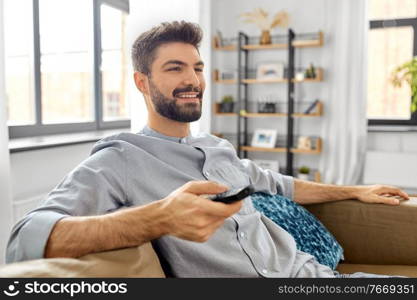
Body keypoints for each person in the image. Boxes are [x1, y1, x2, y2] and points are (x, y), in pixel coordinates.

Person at [6, 21, 409, 278]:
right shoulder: (119, 159)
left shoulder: (218, 147)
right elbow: (23, 239)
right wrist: (157, 218)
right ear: (142, 83)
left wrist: (357, 190)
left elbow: (282, 186)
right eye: (174, 68)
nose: (193, 80)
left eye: (197, 67)